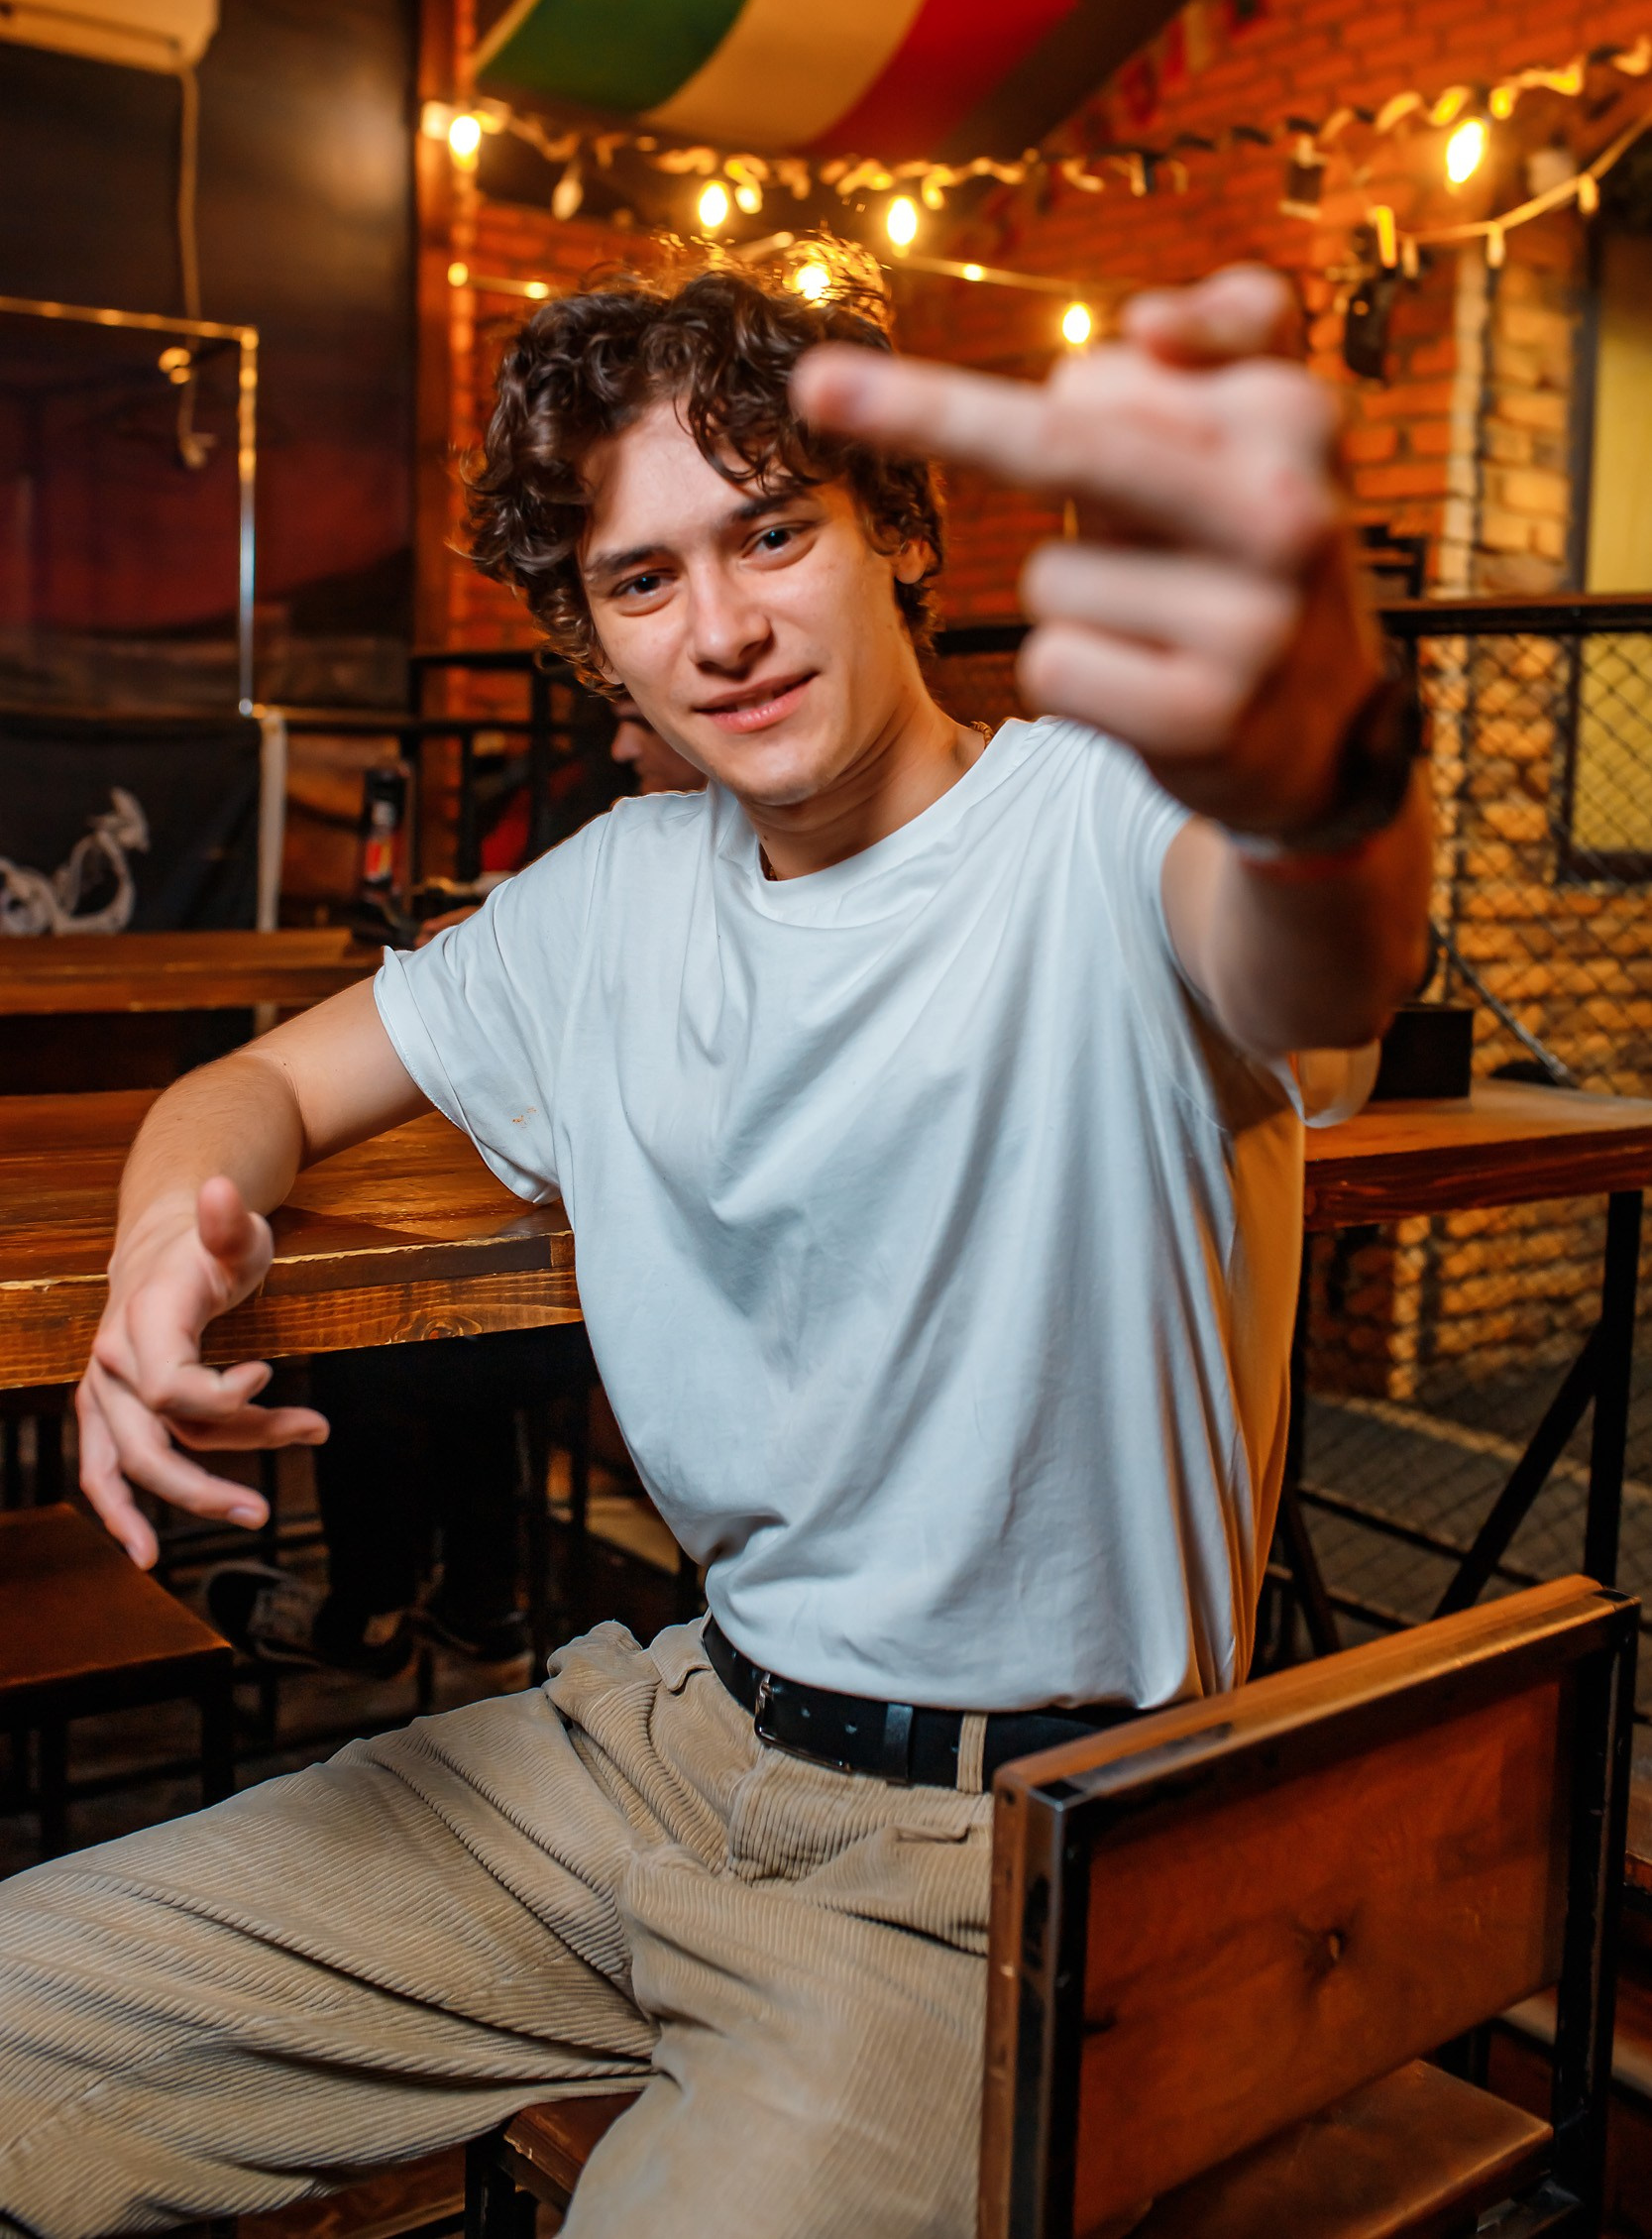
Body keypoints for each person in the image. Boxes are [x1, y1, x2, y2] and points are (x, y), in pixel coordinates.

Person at [0, 255, 1429, 2239]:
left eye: (771, 532)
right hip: (664, 1742)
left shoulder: (1101, 829)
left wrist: (1320, 755)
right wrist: (170, 1243)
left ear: (898, 528)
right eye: (641, 578)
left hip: (1004, 1855)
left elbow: (1323, 961)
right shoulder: (608, 901)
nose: (724, 628)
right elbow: (258, 1088)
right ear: (591, 639)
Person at [204, 709, 703, 1681]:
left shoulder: (677, 865)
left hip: (667, 1303)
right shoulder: (636, 853)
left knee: (382, 1337)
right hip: (634, 1277)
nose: (619, 747)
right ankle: (481, 1601)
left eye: (635, 720)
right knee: (456, 1305)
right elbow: (273, 1083)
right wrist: (501, 939)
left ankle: (371, 1614)